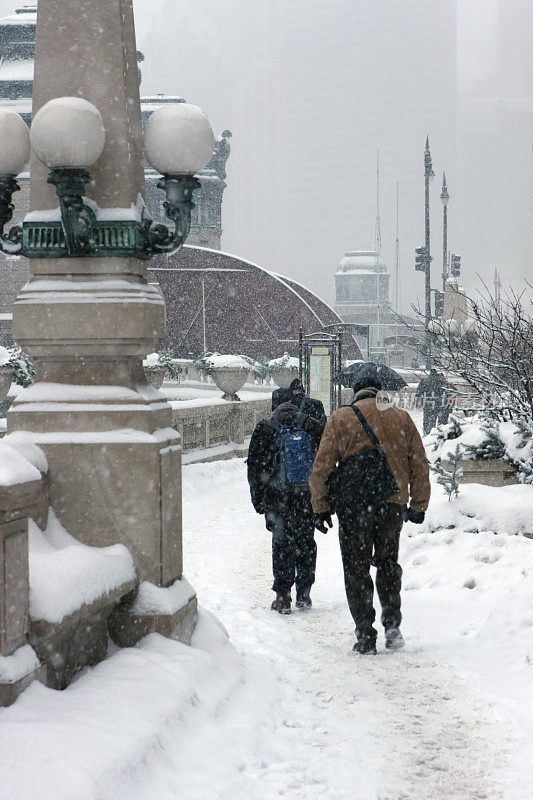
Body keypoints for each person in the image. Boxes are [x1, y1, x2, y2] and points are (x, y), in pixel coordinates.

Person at [309, 363, 430, 654]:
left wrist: (320, 505)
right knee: (388, 563)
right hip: (392, 502)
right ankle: (392, 624)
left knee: (356, 567)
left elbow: (322, 466)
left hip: (354, 504)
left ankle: (365, 632)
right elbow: (419, 462)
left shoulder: (341, 417)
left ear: (356, 390)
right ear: (380, 390)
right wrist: (419, 503)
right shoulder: (400, 416)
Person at [247, 388, 326, 614]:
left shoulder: (265, 428)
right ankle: (304, 592)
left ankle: (283, 596)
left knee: (281, 543)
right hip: (306, 495)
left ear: (275, 405)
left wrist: (258, 500)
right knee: (306, 541)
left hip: (277, 497)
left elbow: (254, 468)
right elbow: (325, 461)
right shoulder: (311, 425)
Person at [416, 368, 448, 435]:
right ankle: (434, 433)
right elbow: (445, 391)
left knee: (426, 419)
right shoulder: (440, 381)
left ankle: (426, 433)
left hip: (427, 403)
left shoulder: (424, 381)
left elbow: (418, 393)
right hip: (437, 404)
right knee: (435, 419)